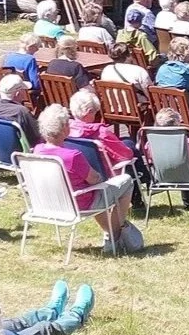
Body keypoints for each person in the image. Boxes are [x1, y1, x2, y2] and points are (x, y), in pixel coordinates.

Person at [33, 105, 136, 250]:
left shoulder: (37, 151)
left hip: (50, 202)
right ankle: (115, 235)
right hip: (79, 203)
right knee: (126, 182)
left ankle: (111, 236)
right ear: (64, 129)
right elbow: (95, 180)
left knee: (98, 192)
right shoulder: (72, 156)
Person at [144, 105, 189, 211]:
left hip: (163, 177)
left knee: (183, 167)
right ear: (177, 124)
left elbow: (150, 160)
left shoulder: (150, 144)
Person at [0, 74, 40, 150]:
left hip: (3, 153)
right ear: (17, 93)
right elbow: (37, 137)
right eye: (24, 90)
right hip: (23, 155)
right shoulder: (21, 111)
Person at [154, 37, 189, 109]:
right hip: (187, 109)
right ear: (188, 54)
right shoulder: (186, 72)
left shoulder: (162, 69)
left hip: (167, 107)